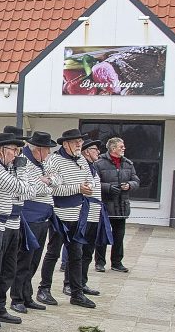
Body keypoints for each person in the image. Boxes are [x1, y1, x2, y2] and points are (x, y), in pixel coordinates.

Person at [0, 130, 37, 327]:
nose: (17, 154)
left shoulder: (7, 167)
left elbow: (30, 191)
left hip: (10, 221)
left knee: (8, 268)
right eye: (14, 150)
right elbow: (21, 188)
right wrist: (21, 172)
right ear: (1, 150)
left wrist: (21, 176)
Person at [40, 129, 97, 308]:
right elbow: (53, 189)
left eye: (80, 141)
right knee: (53, 253)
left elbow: (90, 179)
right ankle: (44, 289)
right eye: (75, 142)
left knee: (76, 255)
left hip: (78, 214)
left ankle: (76, 293)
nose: (79, 144)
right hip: (59, 215)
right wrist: (78, 188)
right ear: (65, 144)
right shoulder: (54, 160)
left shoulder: (82, 160)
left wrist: (89, 186)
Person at [12, 131, 56, 312]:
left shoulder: (42, 163)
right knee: (24, 259)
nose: (49, 153)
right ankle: (17, 298)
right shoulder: (25, 162)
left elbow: (58, 179)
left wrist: (48, 181)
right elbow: (31, 189)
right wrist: (47, 184)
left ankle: (26, 295)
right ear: (38, 149)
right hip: (30, 217)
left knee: (34, 260)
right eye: (47, 149)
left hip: (42, 217)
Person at [94, 137, 139, 272]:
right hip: (105, 206)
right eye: (121, 146)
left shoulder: (128, 164)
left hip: (122, 206)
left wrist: (129, 185)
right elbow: (93, 182)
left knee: (119, 236)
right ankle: (99, 263)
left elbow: (136, 180)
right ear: (113, 148)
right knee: (102, 235)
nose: (124, 148)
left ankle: (117, 262)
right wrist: (108, 187)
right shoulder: (99, 163)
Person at [74, 139, 106, 297]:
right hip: (84, 213)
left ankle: (82, 282)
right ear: (86, 151)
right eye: (95, 149)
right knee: (77, 252)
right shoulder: (81, 166)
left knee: (88, 252)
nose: (98, 152)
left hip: (94, 213)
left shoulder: (93, 167)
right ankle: (71, 283)